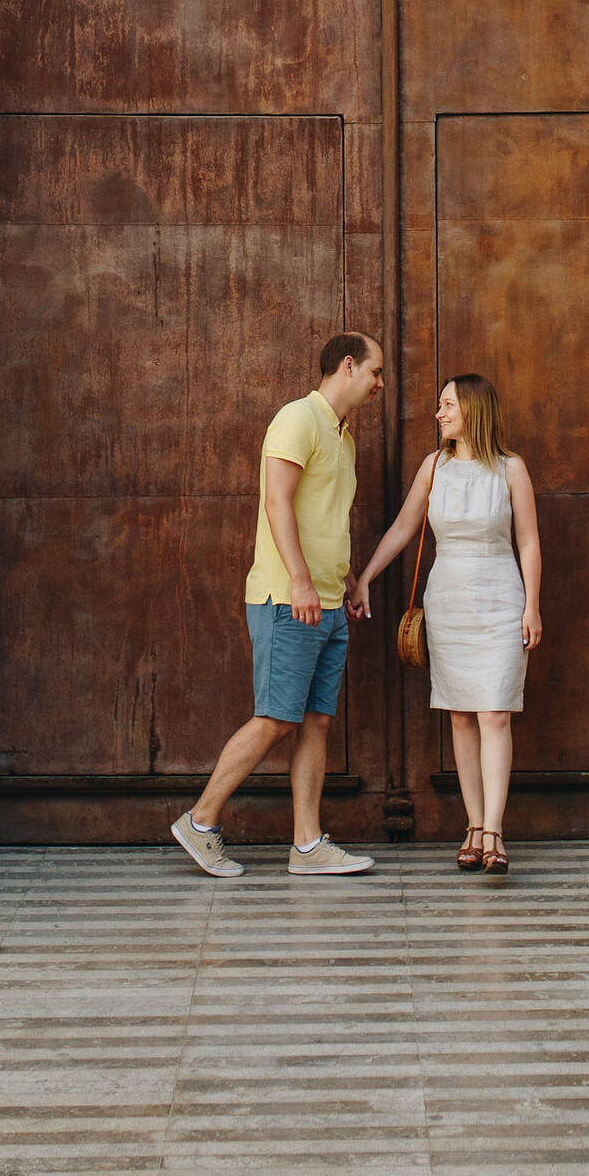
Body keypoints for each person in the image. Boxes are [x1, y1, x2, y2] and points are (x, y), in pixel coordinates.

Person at [171, 331, 385, 881]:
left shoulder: (344, 436)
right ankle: (200, 822)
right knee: (275, 717)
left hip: (329, 601)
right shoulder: (298, 419)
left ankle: (308, 846)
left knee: (315, 721)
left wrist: (350, 578)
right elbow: (277, 501)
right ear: (347, 365)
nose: (380, 384)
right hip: (289, 598)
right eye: (375, 372)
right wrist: (300, 580)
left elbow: (326, 517)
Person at [354, 373, 541, 877]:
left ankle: (495, 832)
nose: (439, 414)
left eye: (447, 405)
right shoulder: (434, 466)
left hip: (500, 599)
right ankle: (473, 826)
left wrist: (533, 607)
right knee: (460, 715)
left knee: (495, 713)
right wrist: (365, 578)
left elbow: (528, 542)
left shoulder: (510, 469)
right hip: (449, 602)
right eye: (440, 406)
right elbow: (402, 527)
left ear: (473, 410)